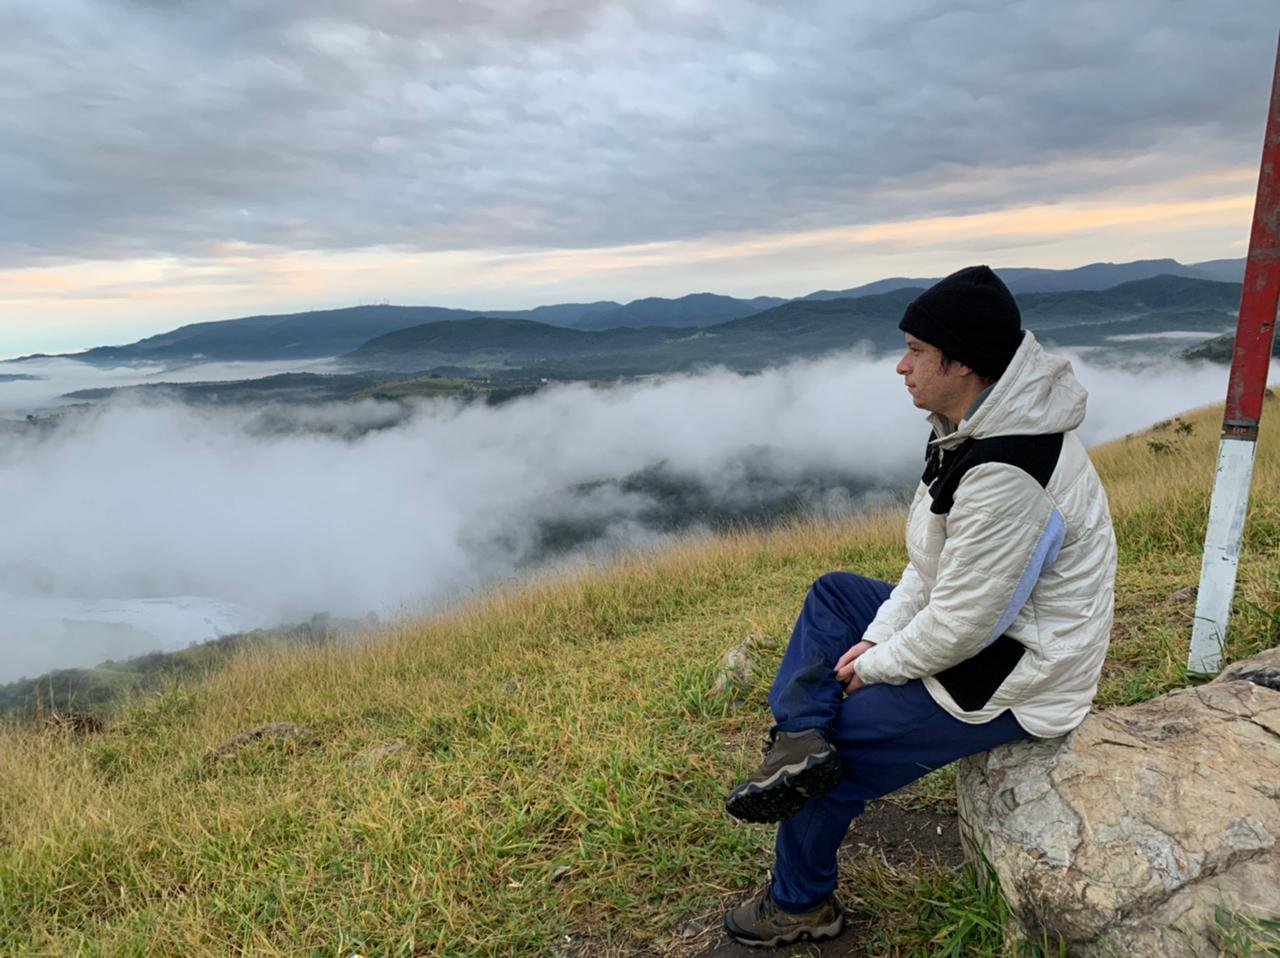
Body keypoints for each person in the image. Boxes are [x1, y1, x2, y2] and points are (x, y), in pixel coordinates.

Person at [721, 265, 1117, 947]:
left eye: (916, 350)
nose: (901, 366)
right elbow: (932, 565)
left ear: (962, 363)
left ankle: (799, 904)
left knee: (840, 751)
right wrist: (878, 637)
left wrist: (874, 668)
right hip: (993, 624)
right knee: (836, 593)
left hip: (1022, 669)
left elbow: (965, 626)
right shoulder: (971, 429)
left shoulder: (1007, 472)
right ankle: (800, 736)